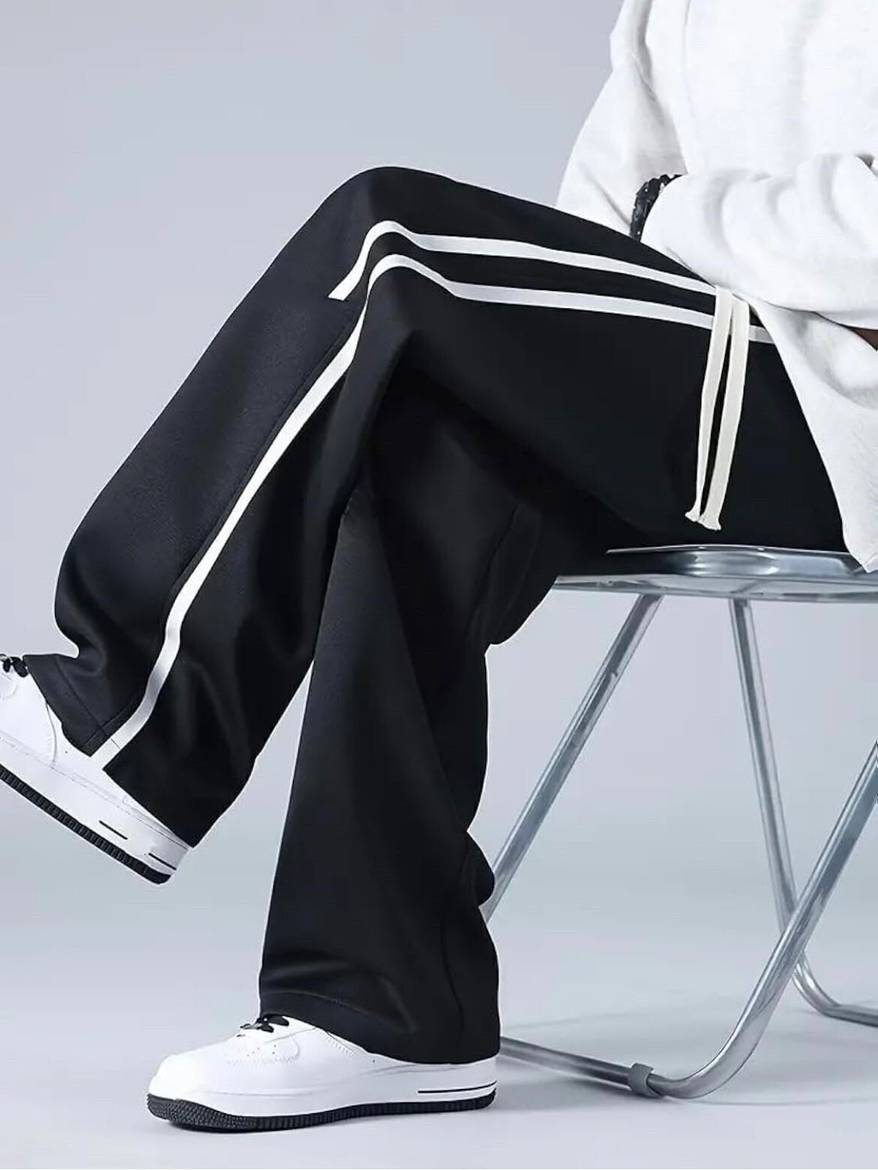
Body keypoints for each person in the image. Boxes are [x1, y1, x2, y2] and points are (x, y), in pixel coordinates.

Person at [2, 0, 876, 1132]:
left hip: (843, 410)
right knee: (426, 434)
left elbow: (698, 230)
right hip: (702, 371)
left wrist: (683, 213)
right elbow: (591, 237)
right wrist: (679, 228)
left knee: (389, 235)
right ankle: (386, 1005)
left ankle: (130, 712)